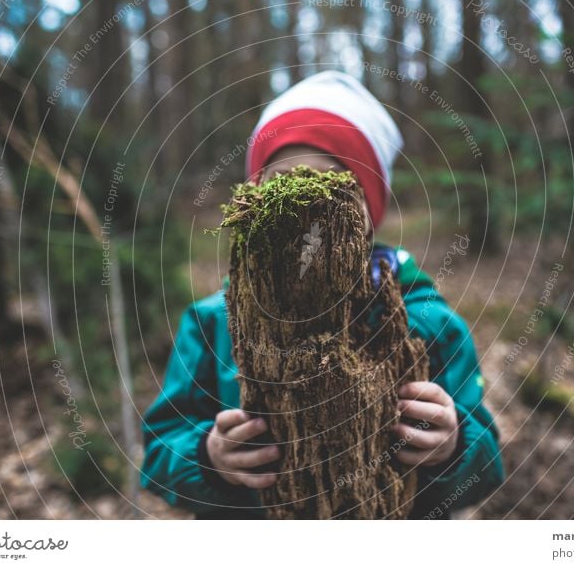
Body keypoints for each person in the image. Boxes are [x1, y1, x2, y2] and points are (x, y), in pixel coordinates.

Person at [141, 71, 504, 519]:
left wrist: (454, 445)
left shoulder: (428, 322)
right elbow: (158, 452)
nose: (307, 212)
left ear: (368, 212)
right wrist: (208, 457)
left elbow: (487, 463)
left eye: (333, 189)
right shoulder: (214, 323)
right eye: (282, 188)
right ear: (252, 202)